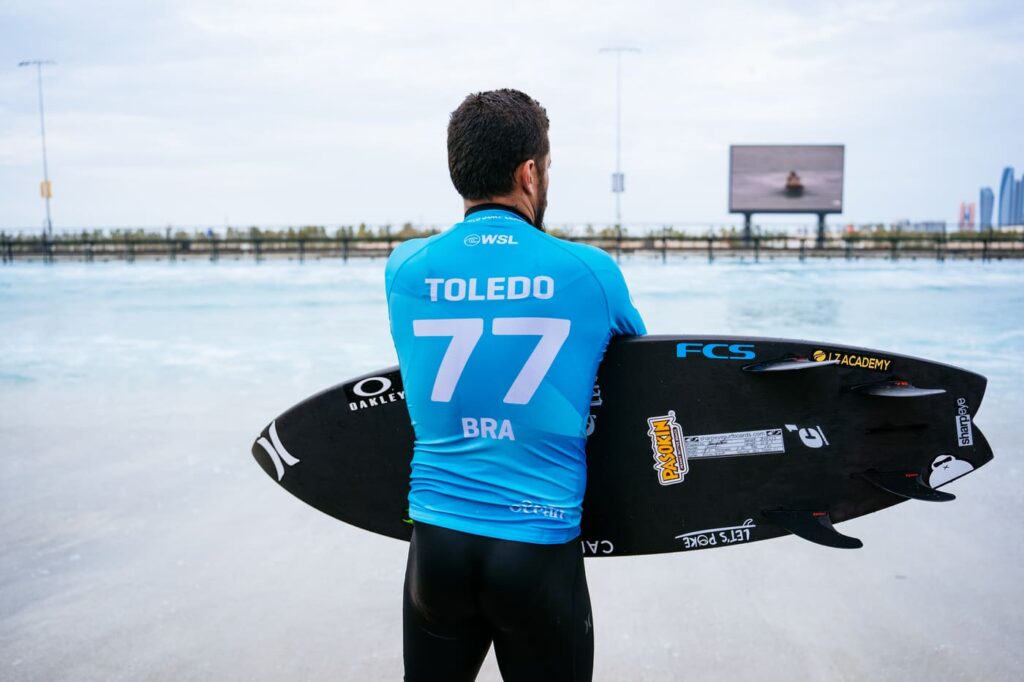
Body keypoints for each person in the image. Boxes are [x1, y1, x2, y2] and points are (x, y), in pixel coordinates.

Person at [385, 88, 646, 682]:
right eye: (546, 166)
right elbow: (639, 377)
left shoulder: (404, 268)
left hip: (436, 548)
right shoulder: (590, 273)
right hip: (537, 548)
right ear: (530, 172)